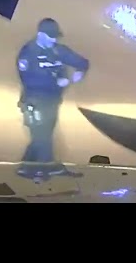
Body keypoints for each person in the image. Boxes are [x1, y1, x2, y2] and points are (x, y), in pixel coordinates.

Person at [16, 18, 89, 179]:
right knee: (42, 135)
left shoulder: (58, 51)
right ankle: (44, 171)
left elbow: (82, 62)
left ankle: (26, 167)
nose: (54, 40)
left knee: (43, 135)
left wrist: (80, 71)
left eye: (55, 36)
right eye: (50, 36)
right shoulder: (28, 52)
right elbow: (28, 79)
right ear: (40, 34)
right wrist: (56, 81)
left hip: (52, 102)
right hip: (34, 101)